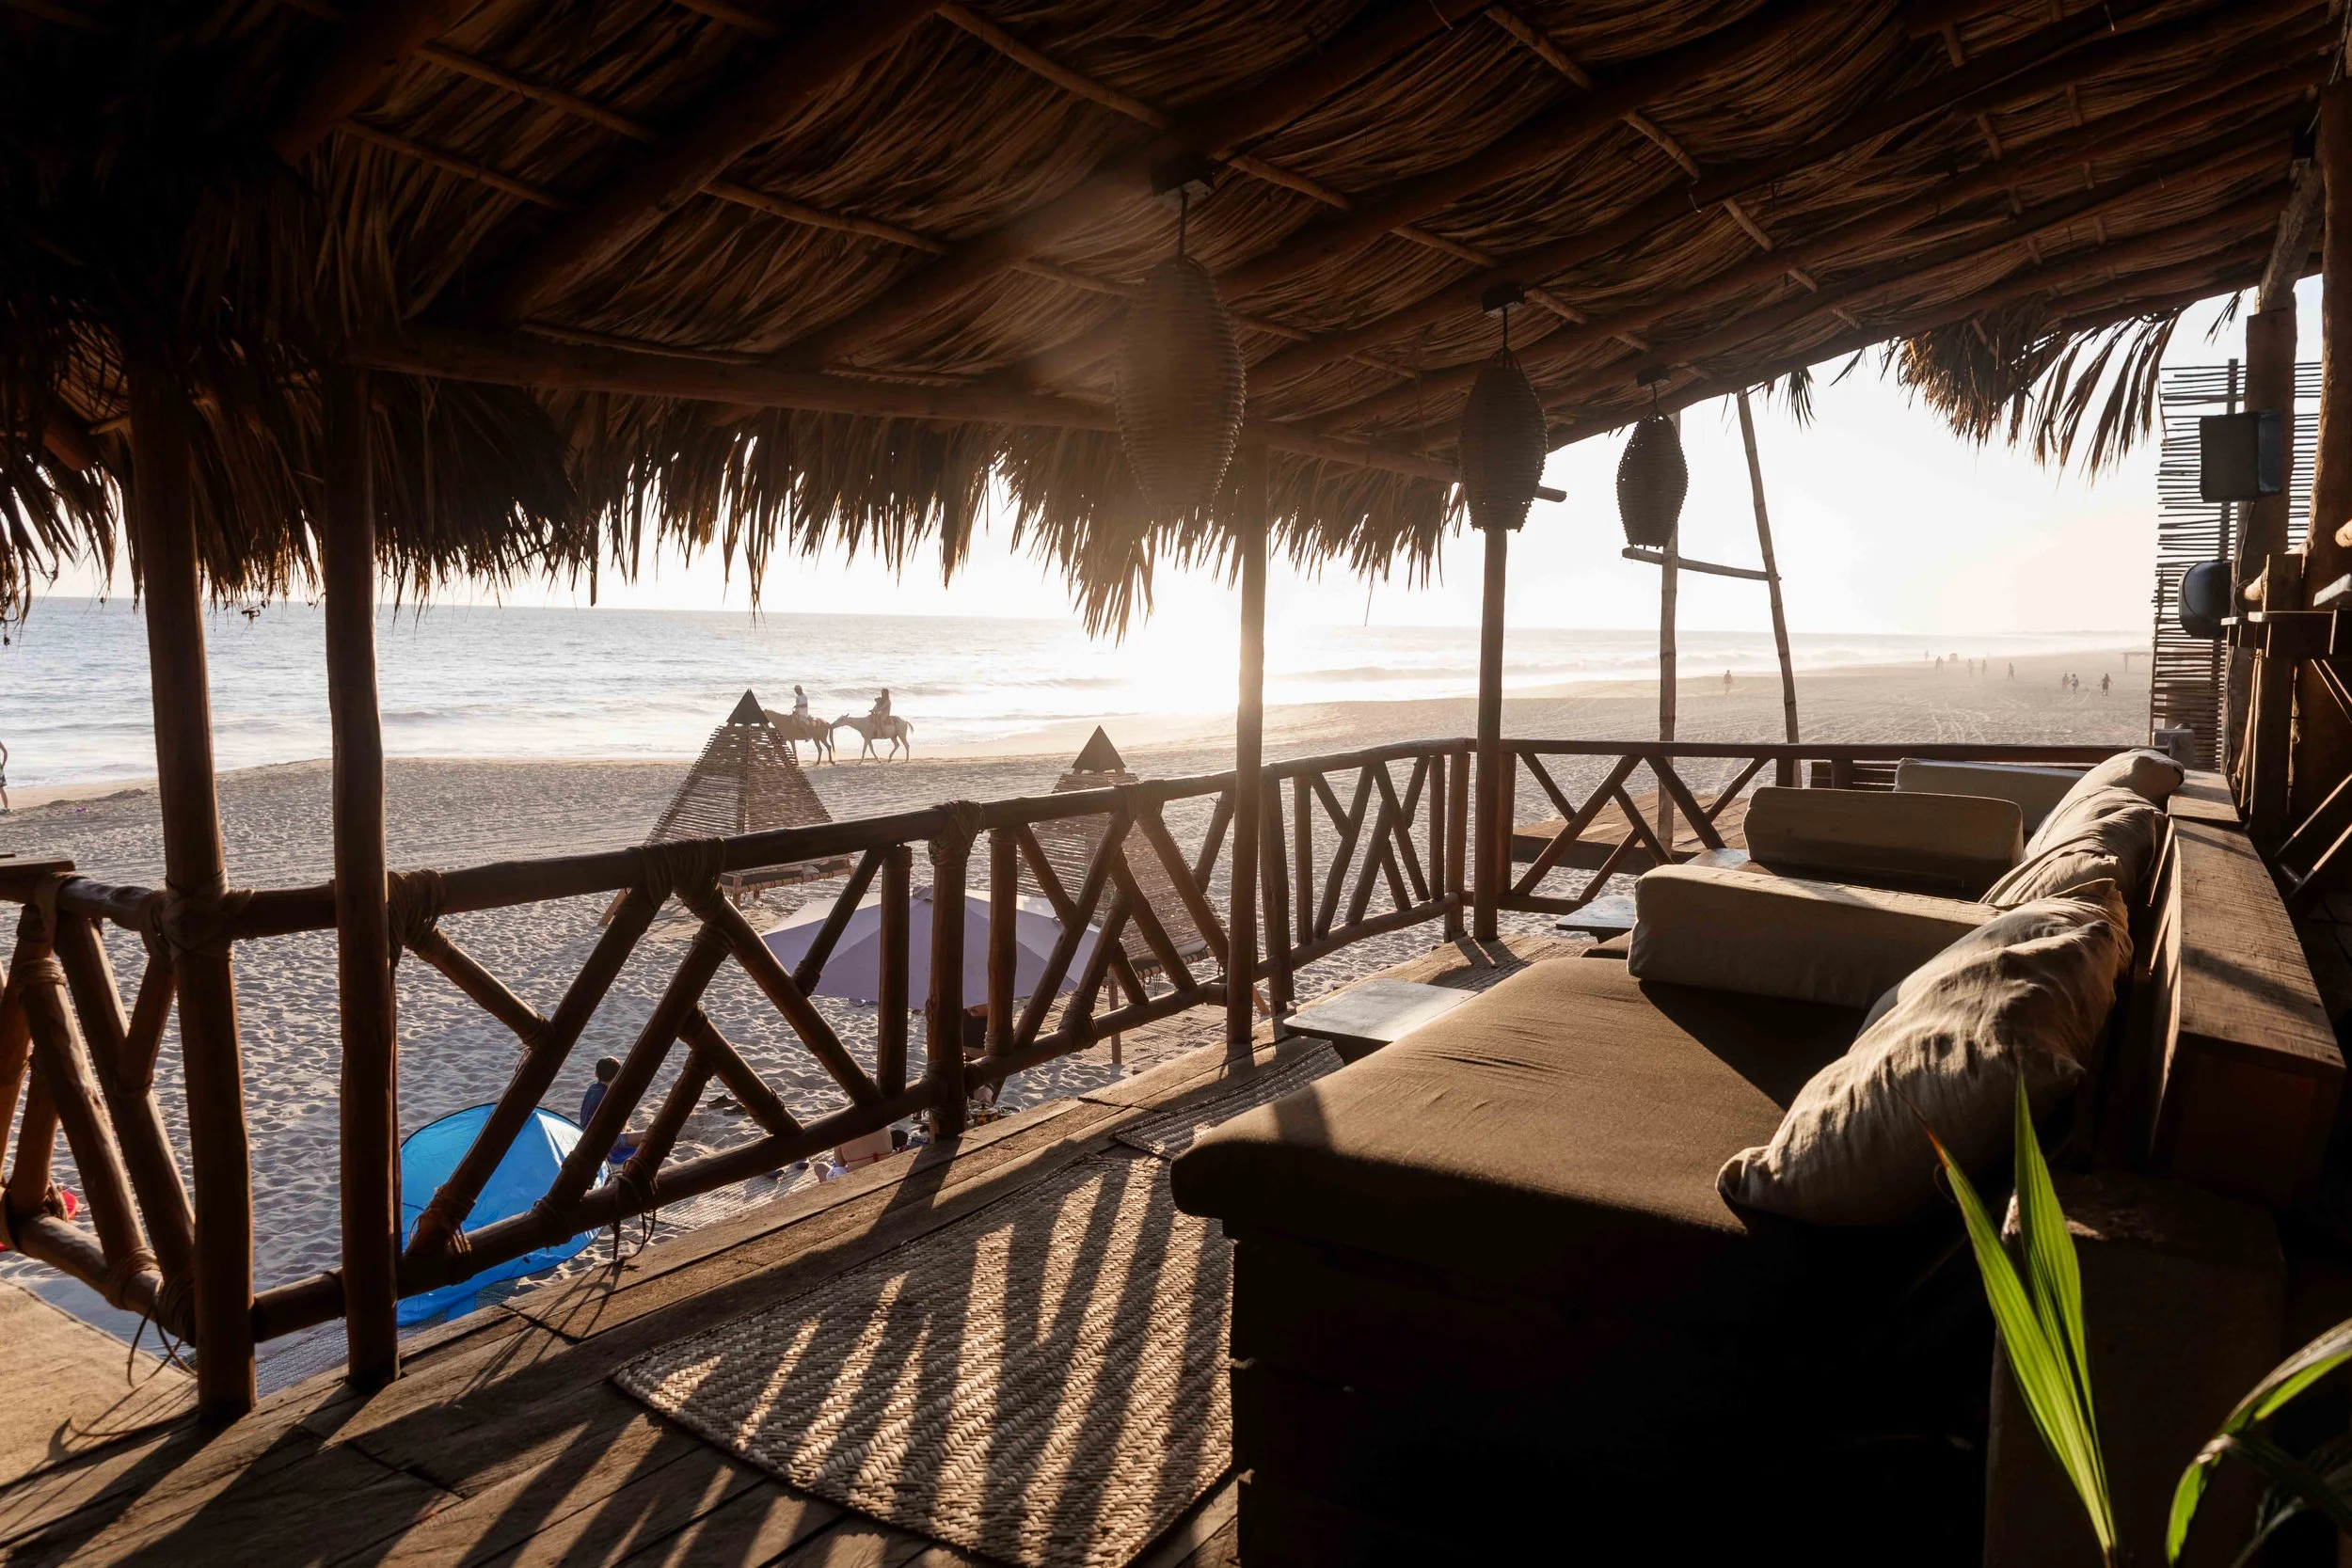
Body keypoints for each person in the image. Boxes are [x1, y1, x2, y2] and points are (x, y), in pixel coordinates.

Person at [579, 1056, 637, 1165]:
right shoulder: (609, 1096)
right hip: (601, 1140)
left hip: (583, 1133)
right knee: (647, 1136)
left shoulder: (592, 1088)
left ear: (596, 1074)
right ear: (618, 1076)